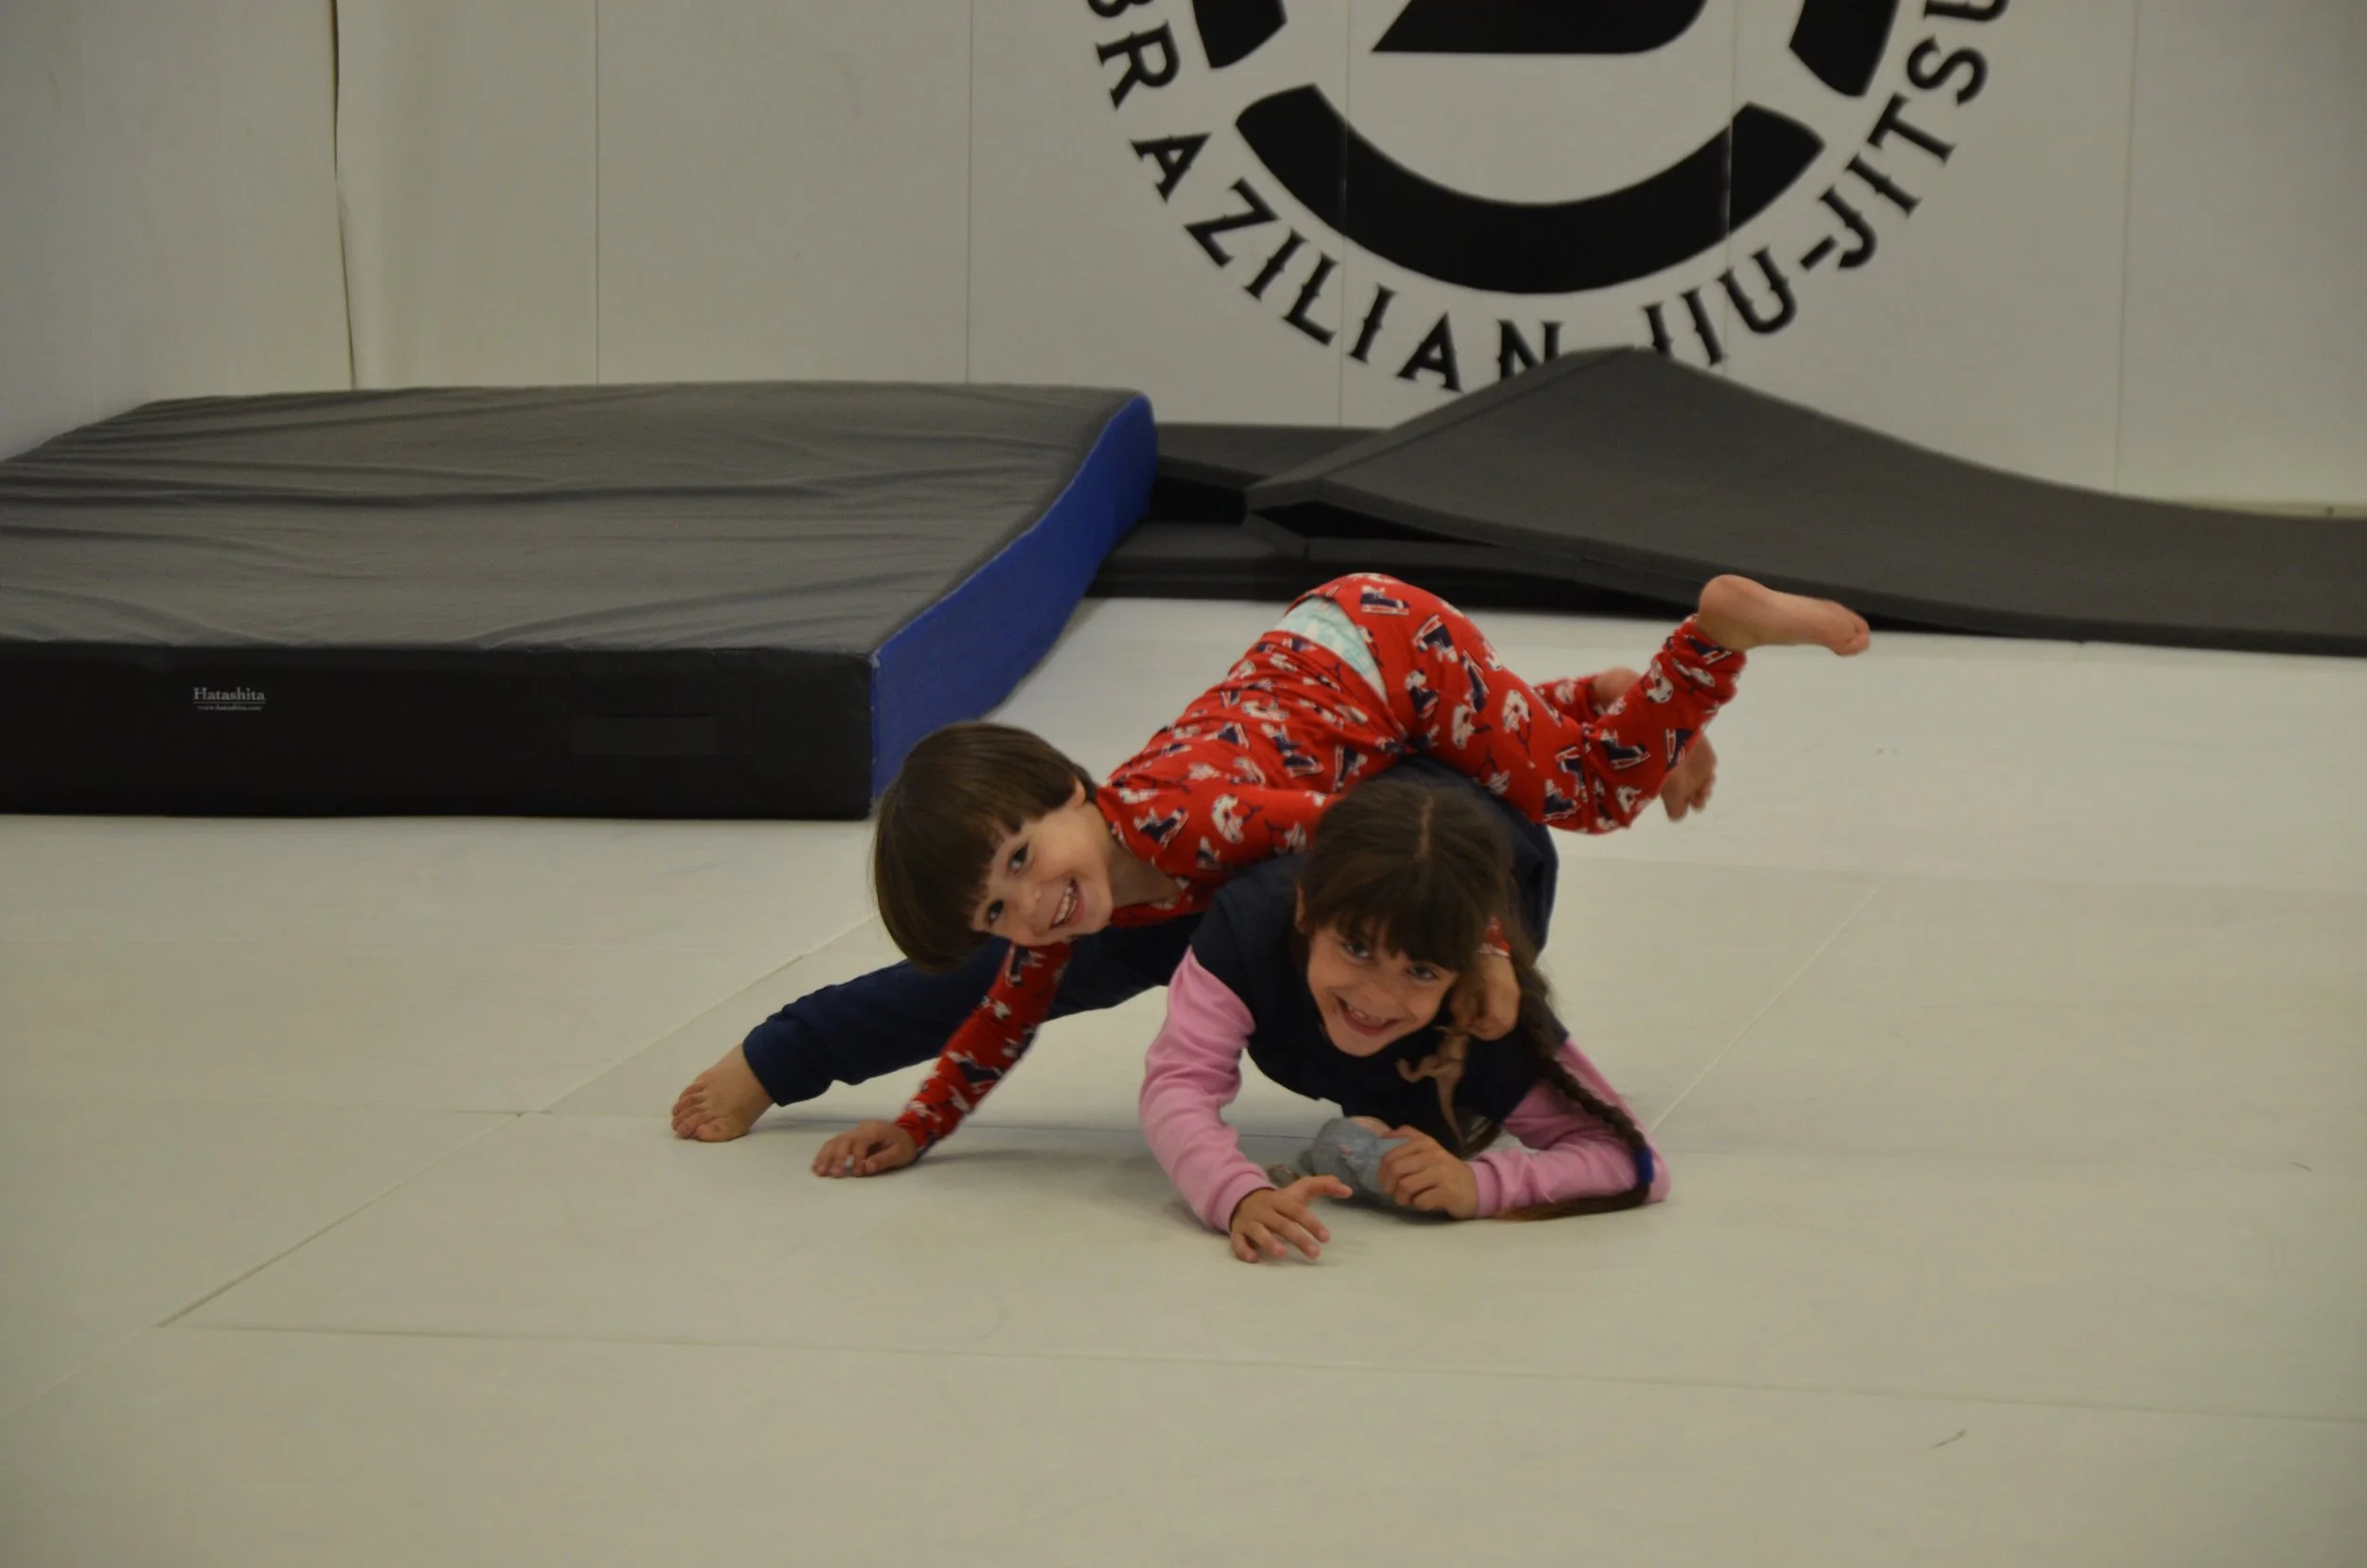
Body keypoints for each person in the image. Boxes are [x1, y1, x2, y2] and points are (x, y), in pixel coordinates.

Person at [669, 572, 1868, 1168]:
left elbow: (1372, 834)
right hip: (1346, 705)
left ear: (1074, 790)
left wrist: (1491, 949)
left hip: (1379, 650)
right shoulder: (1066, 909)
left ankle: (1706, 641)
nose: (1033, 906)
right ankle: (1593, 706)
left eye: (1028, 861)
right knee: (1534, 758)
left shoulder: (1197, 823)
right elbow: (988, 1019)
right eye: (1001, 903)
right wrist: (917, 1126)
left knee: (1586, 793)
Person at [1140, 769, 1666, 1263]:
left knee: (1422, 1119)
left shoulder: (1478, 1015)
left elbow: (1634, 1162)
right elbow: (1177, 1085)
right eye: (1356, 948)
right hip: (1363, 800)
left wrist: (1478, 1185)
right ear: (1305, 910)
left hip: (1499, 837)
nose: (1378, 998)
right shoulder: (1246, 928)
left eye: (1420, 972)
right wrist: (1235, 1192)